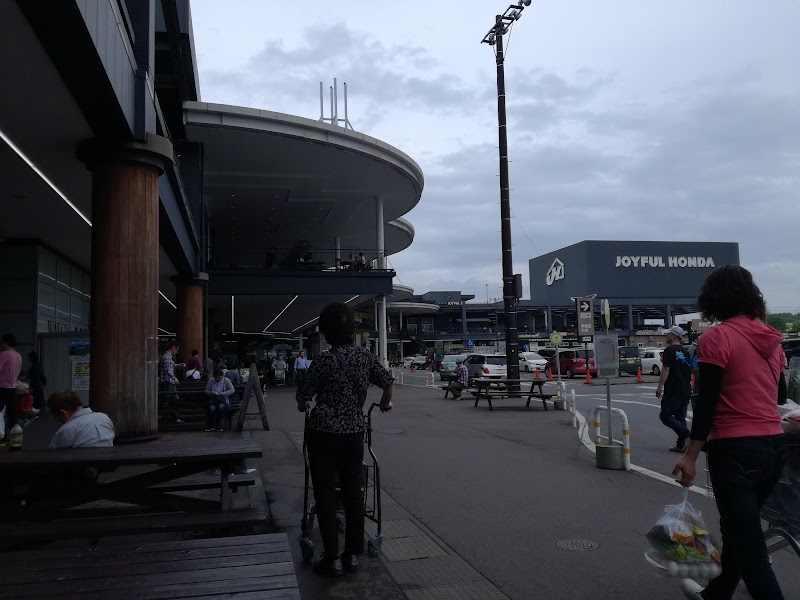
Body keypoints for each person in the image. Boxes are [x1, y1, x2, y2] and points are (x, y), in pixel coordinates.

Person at [673, 265, 787, 600]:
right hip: (774, 448)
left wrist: (690, 456)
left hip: (735, 449)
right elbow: (779, 396)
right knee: (738, 530)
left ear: (714, 299)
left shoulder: (717, 338)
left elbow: (706, 404)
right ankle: (716, 594)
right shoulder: (771, 338)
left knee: (751, 550)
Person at [297, 302, 394, 577]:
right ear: (351, 330)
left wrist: (303, 404)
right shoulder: (364, 357)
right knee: (353, 493)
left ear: (326, 333)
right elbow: (388, 382)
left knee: (325, 493)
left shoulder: (324, 360)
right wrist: (386, 404)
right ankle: (352, 554)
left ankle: (331, 558)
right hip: (354, 432)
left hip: (323, 434)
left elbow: (303, 395)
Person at [656, 325, 692, 452]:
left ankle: (687, 435)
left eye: (668, 333)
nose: (666, 336)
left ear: (674, 336)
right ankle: (681, 444)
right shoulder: (686, 352)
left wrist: (660, 387)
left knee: (665, 416)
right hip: (686, 388)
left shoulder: (669, 350)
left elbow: (666, 368)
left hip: (673, 389)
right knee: (680, 417)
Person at [48, 390, 115, 448]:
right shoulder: (104, 417)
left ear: (62, 413)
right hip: (109, 460)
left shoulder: (66, 430)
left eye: (55, 417)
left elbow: (53, 452)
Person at [0, 333, 23, 435]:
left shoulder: (3, 355)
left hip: (2, 387)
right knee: (12, 413)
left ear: (6, 342)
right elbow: (18, 371)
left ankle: (2, 435)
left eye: (3, 342)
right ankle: (14, 437)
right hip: (13, 387)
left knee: (0, 412)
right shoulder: (18, 356)